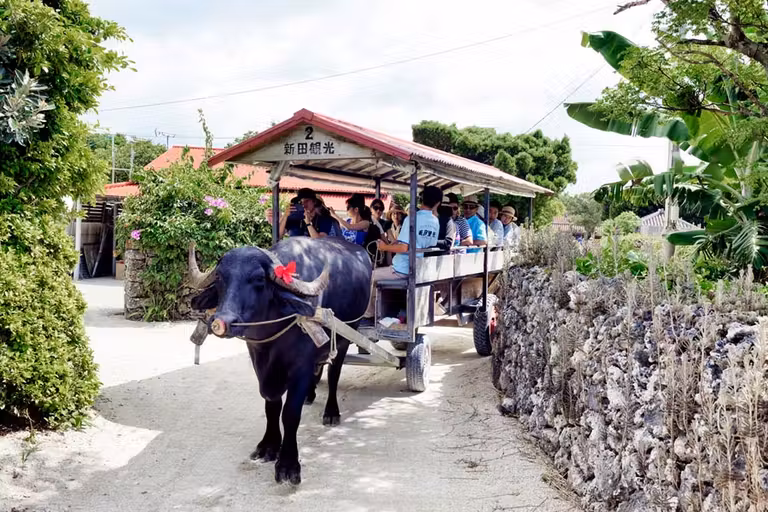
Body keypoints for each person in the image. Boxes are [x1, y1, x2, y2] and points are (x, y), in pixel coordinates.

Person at [361, 186, 442, 324]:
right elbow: (426, 243)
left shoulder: (412, 218)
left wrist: (384, 246)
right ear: (437, 203)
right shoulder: (435, 221)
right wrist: (395, 242)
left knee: (369, 276)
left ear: (421, 199)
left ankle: (367, 316)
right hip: (419, 268)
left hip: (402, 269)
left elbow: (404, 247)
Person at [266, 188, 338, 239]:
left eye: (306, 201)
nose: (303, 205)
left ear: (314, 202)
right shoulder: (294, 218)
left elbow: (318, 240)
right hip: (296, 256)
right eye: (300, 202)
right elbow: (277, 236)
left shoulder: (324, 219)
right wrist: (285, 216)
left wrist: (308, 222)